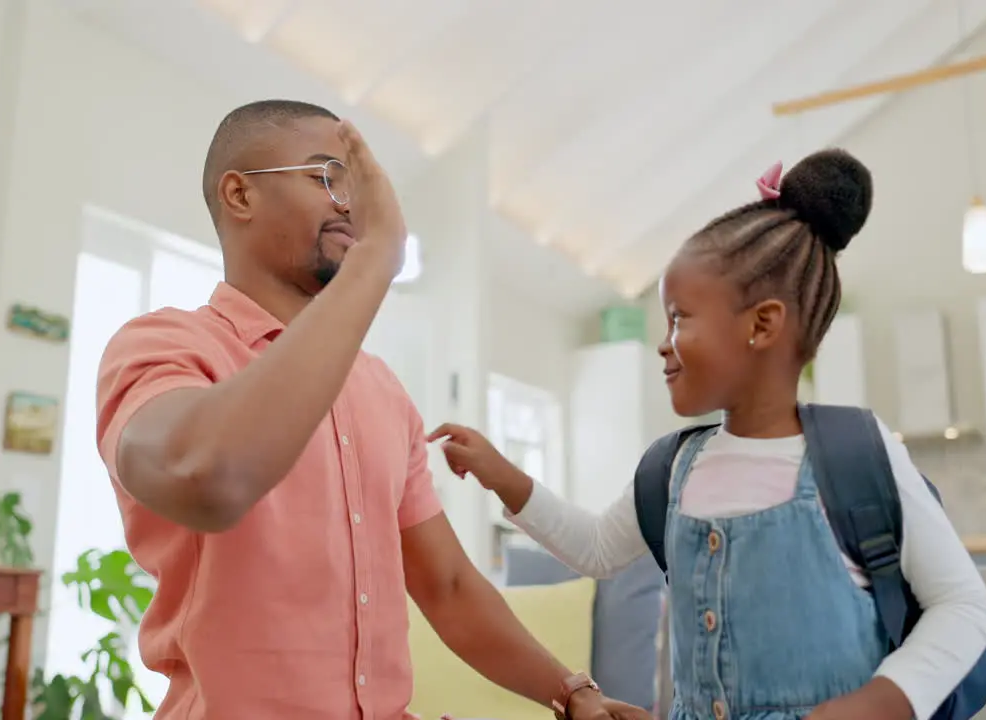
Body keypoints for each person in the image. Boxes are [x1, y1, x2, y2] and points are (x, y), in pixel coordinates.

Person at [96, 99, 650, 720]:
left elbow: (448, 587)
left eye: (358, 187)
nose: (351, 205)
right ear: (240, 195)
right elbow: (207, 476)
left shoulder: (382, 391)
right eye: (327, 177)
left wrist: (573, 694)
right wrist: (378, 255)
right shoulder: (162, 346)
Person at [427, 149, 986, 720]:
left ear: (762, 324)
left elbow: (963, 604)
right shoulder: (672, 469)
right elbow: (597, 550)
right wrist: (502, 475)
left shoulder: (858, 454)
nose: (663, 341)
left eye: (680, 317)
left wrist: (883, 703)